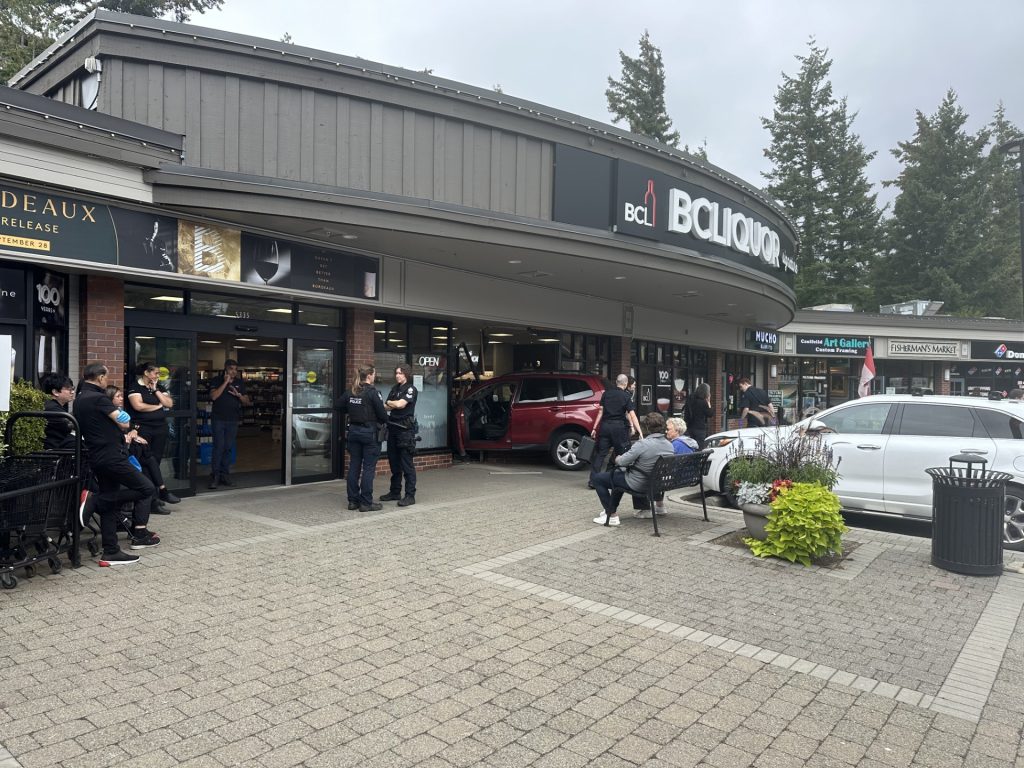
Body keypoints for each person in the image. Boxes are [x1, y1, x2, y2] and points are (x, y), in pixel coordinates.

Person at [73, 363, 159, 566]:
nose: (107, 381)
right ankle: (95, 501)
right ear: (101, 377)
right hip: (111, 455)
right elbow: (123, 420)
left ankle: (110, 551)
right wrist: (123, 415)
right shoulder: (98, 398)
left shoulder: (79, 399)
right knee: (146, 487)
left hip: (97, 456)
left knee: (110, 504)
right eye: (106, 377)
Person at [591, 411, 675, 527]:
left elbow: (622, 462)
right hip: (657, 483)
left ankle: (612, 515)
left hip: (639, 483)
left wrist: (618, 458)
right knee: (618, 477)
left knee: (598, 479)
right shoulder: (669, 445)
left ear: (646, 427)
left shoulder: (642, 444)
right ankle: (614, 510)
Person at [126, 362, 179, 506]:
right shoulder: (135, 387)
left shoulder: (159, 388)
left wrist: (156, 391)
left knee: (156, 461)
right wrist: (157, 406)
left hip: (160, 429)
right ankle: (152, 499)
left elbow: (169, 404)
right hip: (143, 429)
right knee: (147, 462)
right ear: (146, 373)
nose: (158, 376)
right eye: (155, 373)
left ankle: (155, 497)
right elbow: (138, 406)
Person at [337, 365, 388, 512]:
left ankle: (353, 501)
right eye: (374, 374)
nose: (374, 377)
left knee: (354, 466)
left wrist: (352, 411)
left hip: (353, 432)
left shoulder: (351, 392)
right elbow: (383, 415)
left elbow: (338, 406)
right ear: (370, 375)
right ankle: (366, 502)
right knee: (368, 468)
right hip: (369, 434)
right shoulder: (373, 393)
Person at [589, 374, 643, 486]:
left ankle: (593, 481)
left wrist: (594, 428)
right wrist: (640, 431)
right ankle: (611, 479)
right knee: (621, 454)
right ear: (625, 383)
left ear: (617, 382)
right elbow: (632, 416)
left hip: (605, 427)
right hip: (619, 429)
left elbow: (600, 412)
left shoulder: (606, 394)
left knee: (600, 454)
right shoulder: (626, 396)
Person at [645, 416, 701, 517]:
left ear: (677, 431)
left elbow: (667, 468)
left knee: (647, 476)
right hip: (690, 477)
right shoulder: (690, 442)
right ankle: (659, 506)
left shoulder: (676, 444)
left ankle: (646, 508)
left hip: (675, 479)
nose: (666, 432)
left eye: (669, 429)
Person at [208, 359, 250, 489]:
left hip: (232, 420)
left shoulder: (239, 382)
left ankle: (225, 475)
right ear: (226, 368)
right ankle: (215, 475)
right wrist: (225, 382)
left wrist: (239, 396)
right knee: (218, 447)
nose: (234, 372)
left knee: (228, 447)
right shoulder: (216, 380)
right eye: (231, 369)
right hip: (218, 419)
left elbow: (247, 401)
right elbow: (214, 396)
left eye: (235, 369)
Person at [381, 364, 418, 507]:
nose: (397, 375)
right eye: (396, 373)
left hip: (405, 431)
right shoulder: (394, 389)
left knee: (406, 464)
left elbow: (401, 405)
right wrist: (391, 403)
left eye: (400, 373)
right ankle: (395, 491)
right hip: (393, 428)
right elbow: (387, 406)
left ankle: (410, 495)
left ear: (406, 375)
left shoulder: (410, 389)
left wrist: (391, 403)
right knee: (394, 462)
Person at [41, 372, 76, 450]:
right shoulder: (51, 408)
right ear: (55, 392)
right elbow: (70, 424)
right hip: (55, 451)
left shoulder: (51, 405)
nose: (72, 392)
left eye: (73, 389)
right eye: (69, 389)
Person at [684, 382, 713, 447]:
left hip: (690, 426)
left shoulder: (690, 399)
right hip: (700, 428)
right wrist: (708, 402)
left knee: (691, 446)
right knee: (700, 448)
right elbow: (710, 414)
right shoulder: (703, 402)